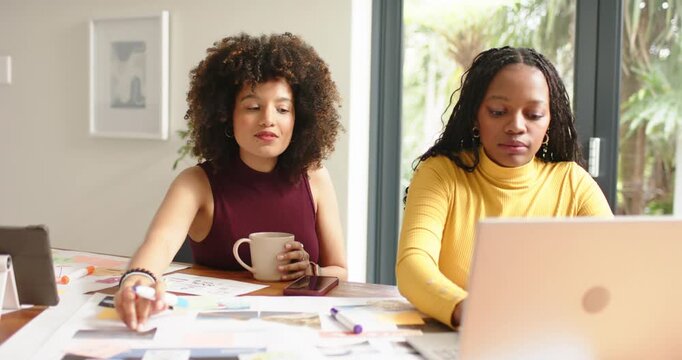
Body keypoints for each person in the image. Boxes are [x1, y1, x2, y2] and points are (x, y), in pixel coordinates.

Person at [114, 33, 347, 330]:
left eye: (283, 109)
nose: (268, 119)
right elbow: (157, 246)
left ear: (299, 119)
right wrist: (137, 281)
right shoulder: (195, 183)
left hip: (294, 328)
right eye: (252, 107)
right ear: (226, 115)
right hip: (213, 328)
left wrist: (312, 270)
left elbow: (340, 270)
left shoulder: (314, 176)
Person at [396, 46, 613, 329]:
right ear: (476, 116)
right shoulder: (441, 173)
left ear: (550, 121)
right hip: (458, 340)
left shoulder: (573, 184)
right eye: (498, 112)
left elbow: (614, 271)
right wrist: (468, 311)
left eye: (534, 114)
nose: (516, 126)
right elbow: (412, 265)